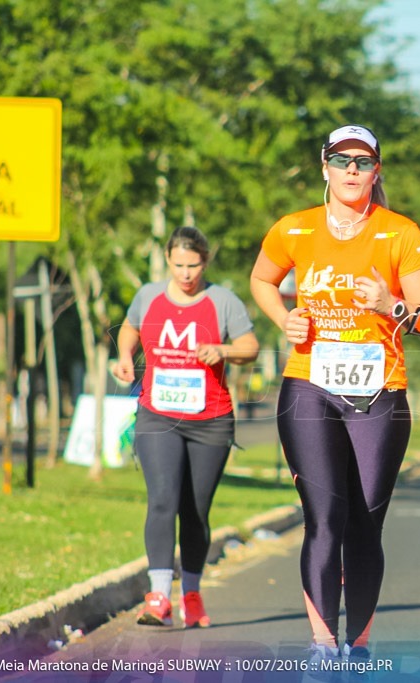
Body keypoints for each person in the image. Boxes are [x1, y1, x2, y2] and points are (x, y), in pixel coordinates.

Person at [249, 124, 420, 668]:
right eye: (342, 161)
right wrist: (283, 318)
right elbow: (263, 279)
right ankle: (320, 645)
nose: (352, 171)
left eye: (362, 162)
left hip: (379, 392)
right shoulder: (295, 229)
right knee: (323, 518)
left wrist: (391, 305)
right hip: (310, 384)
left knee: (364, 522)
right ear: (325, 168)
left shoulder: (400, 233)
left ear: (376, 169)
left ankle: (356, 647)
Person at [113, 226, 260, 629]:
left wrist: (224, 349)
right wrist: (125, 353)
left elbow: (250, 347)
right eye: (178, 265)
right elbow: (131, 326)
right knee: (162, 499)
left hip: (210, 421)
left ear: (205, 262)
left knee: (195, 511)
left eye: (193, 265)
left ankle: (191, 594)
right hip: (157, 414)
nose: (185, 274)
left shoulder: (223, 300)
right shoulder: (149, 295)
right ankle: (158, 596)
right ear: (167, 260)